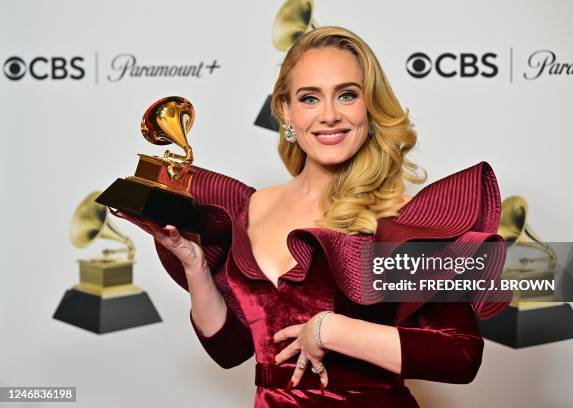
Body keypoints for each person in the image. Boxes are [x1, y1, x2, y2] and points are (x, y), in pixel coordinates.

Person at [115, 26, 508, 407]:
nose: (330, 115)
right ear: (286, 110)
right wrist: (196, 267)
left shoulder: (401, 218)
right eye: (309, 98)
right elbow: (231, 351)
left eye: (347, 95)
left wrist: (329, 329)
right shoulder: (249, 208)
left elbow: (461, 355)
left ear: (369, 106)